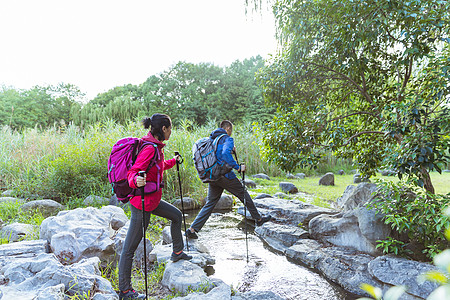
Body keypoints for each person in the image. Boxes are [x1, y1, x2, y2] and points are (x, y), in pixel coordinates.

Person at [118, 113, 192, 300]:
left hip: (153, 200)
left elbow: (156, 167)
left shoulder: (156, 147)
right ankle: (125, 291)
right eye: (170, 129)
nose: (171, 132)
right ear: (164, 129)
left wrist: (173, 162)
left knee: (176, 216)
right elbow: (133, 172)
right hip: (141, 204)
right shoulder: (149, 148)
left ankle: (177, 252)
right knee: (129, 249)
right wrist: (136, 180)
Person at [186, 120, 271, 240]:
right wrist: (238, 167)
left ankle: (192, 229)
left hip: (213, 176)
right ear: (228, 129)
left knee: (210, 203)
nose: (231, 132)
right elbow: (225, 154)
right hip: (225, 176)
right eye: (231, 130)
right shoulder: (227, 139)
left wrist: (231, 151)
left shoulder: (212, 139)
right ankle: (259, 219)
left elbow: (218, 155)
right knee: (243, 193)